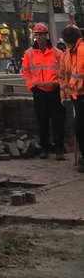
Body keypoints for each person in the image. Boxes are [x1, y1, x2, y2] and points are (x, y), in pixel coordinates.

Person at [20, 22, 65, 159]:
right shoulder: (29, 54)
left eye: (41, 35)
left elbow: (64, 71)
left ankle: (59, 149)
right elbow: (25, 72)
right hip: (39, 91)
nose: (39, 38)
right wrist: (31, 86)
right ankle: (44, 148)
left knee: (58, 120)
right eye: (37, 35)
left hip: (55, 90)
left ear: (47, 35)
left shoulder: (58, 53)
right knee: (42, 120)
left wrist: (60, 84)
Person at [59, 25, 84, 172]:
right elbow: (63, 76)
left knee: (79, 127)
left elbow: (79, 75)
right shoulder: (67, 55)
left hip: (80, 96)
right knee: (79, 127)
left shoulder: (81, 51)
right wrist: (65, 95)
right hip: (76, 97)